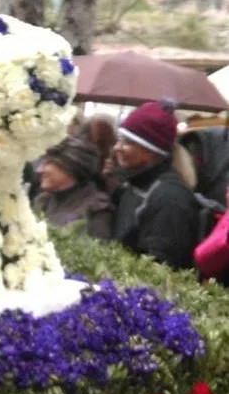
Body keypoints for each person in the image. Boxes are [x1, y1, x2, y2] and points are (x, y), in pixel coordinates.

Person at [110, 99, 198, 270]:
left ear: (151, 151)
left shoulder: (170, 198)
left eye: (127, 142)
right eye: (119, 139)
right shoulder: (133, 184)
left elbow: (160, 269)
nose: (117, 147)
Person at [33, 135, 113, 239]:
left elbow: (94, 251)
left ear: (70, 166)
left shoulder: (96, 209)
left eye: (47, 163)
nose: (39, 169)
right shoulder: (43, 200)